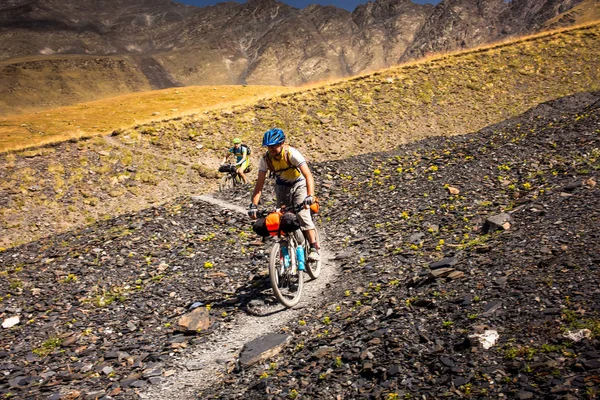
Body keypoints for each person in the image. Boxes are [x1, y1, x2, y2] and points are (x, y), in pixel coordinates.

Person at [247, 128, 320, 261]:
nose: (272, 149)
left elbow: (308, 175)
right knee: (280, 217)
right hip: (282, 187)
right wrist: (253, 205)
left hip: (299, 183)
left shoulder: (292, 154)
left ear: (282, 143)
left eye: (274, 146)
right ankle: (286, 250)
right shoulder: (266, 159)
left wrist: (310, 195)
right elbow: (259, 184)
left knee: (302, 213)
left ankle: (314, 247)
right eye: (269, 147)